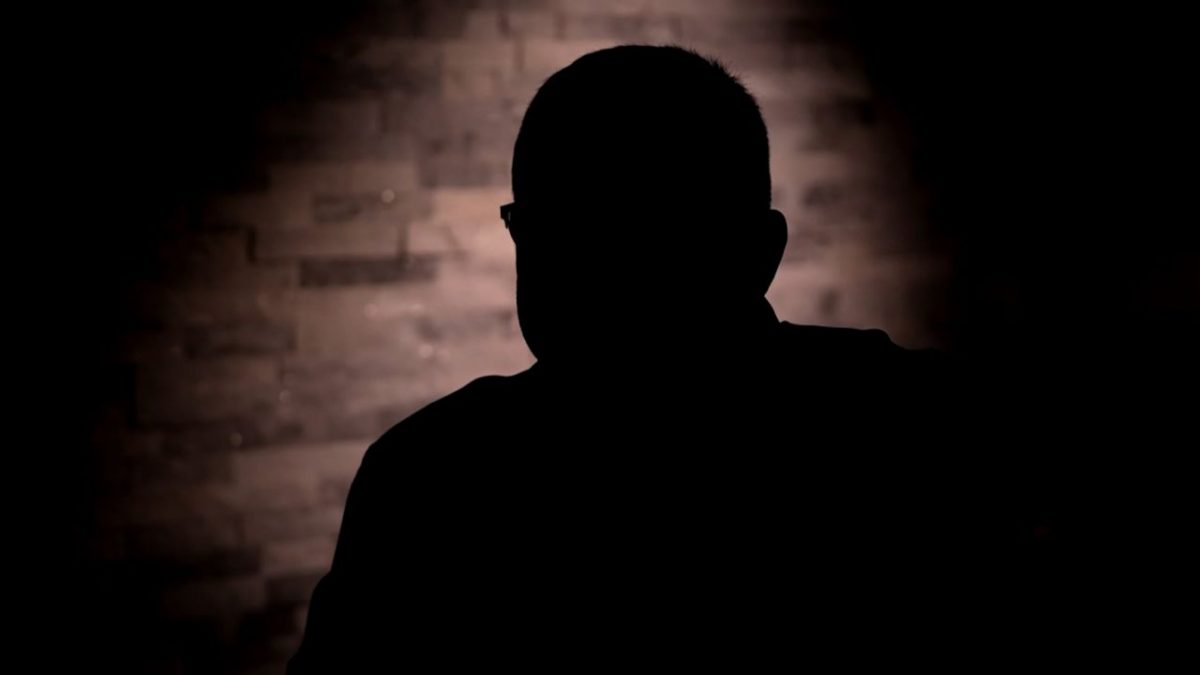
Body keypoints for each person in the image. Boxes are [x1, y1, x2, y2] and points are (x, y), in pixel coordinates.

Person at [289, 45, 1018, 673]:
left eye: (646, 235)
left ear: (757, 254)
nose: (604, 273)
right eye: (561, 228)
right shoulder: (912, 421)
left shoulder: (432, 476)